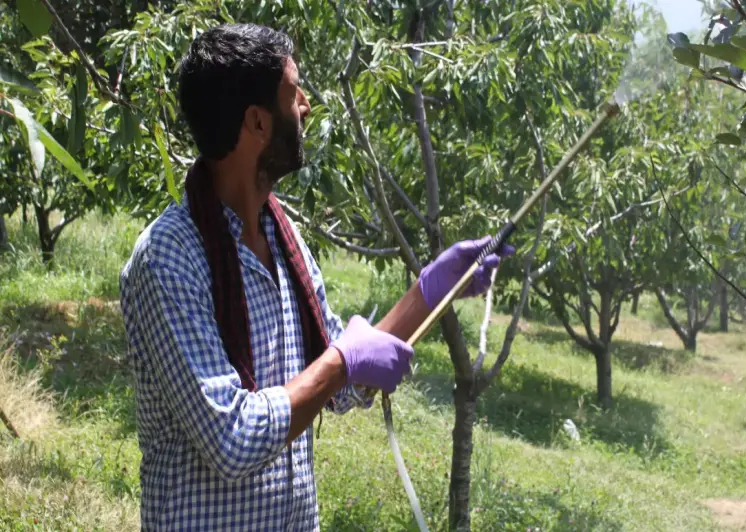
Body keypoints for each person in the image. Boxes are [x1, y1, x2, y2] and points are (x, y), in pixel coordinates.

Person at [119, 23, 513, 531]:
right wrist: (340, 364)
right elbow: (231, 437)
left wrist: (431, 291)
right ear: (258, 122)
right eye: (293, 92)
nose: (306, 106)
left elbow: (336, 378)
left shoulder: (285, 242)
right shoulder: (168, 259)